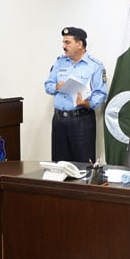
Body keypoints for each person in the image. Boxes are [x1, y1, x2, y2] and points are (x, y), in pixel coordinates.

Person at [44, 27, 107, 163]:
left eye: (68, 43)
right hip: (59, 120)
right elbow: (47, 86)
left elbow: (100, 93)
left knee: (83, 164)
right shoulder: (60, 62)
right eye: (63, 42)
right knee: (59, 164)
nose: (64, 46)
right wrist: (56, 86)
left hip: (81, 120)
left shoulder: (94, 66)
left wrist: (87, 103)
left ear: (79, 44)